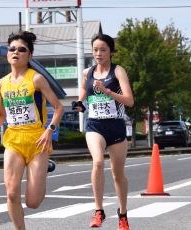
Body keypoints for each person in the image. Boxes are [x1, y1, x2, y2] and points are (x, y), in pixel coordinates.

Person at [0, 31, 64, 230]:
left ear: (29, 56)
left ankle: (44, 165)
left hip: (38, 140)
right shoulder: (0, 84)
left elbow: (59, 108)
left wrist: (49, 131)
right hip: (13, 140)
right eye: (12, 49)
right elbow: (1, 116)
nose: (16, 52)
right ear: (7, 53)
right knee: (12, 193)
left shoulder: (36, 79)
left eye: (22, 50)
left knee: (32, 202)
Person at [73, 33, 134, 230]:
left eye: (103, 50)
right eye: (95, 50)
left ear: (111, 52)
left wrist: (107, 91)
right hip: (95, 125)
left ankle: (122, 215)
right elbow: (84, 90)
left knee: (118, 174)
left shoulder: (118, 72)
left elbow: (129, 101)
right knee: (98, 162)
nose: (98, 54)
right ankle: (98, 211)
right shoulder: (87, 72)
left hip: (115, 125)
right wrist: (80, 103)